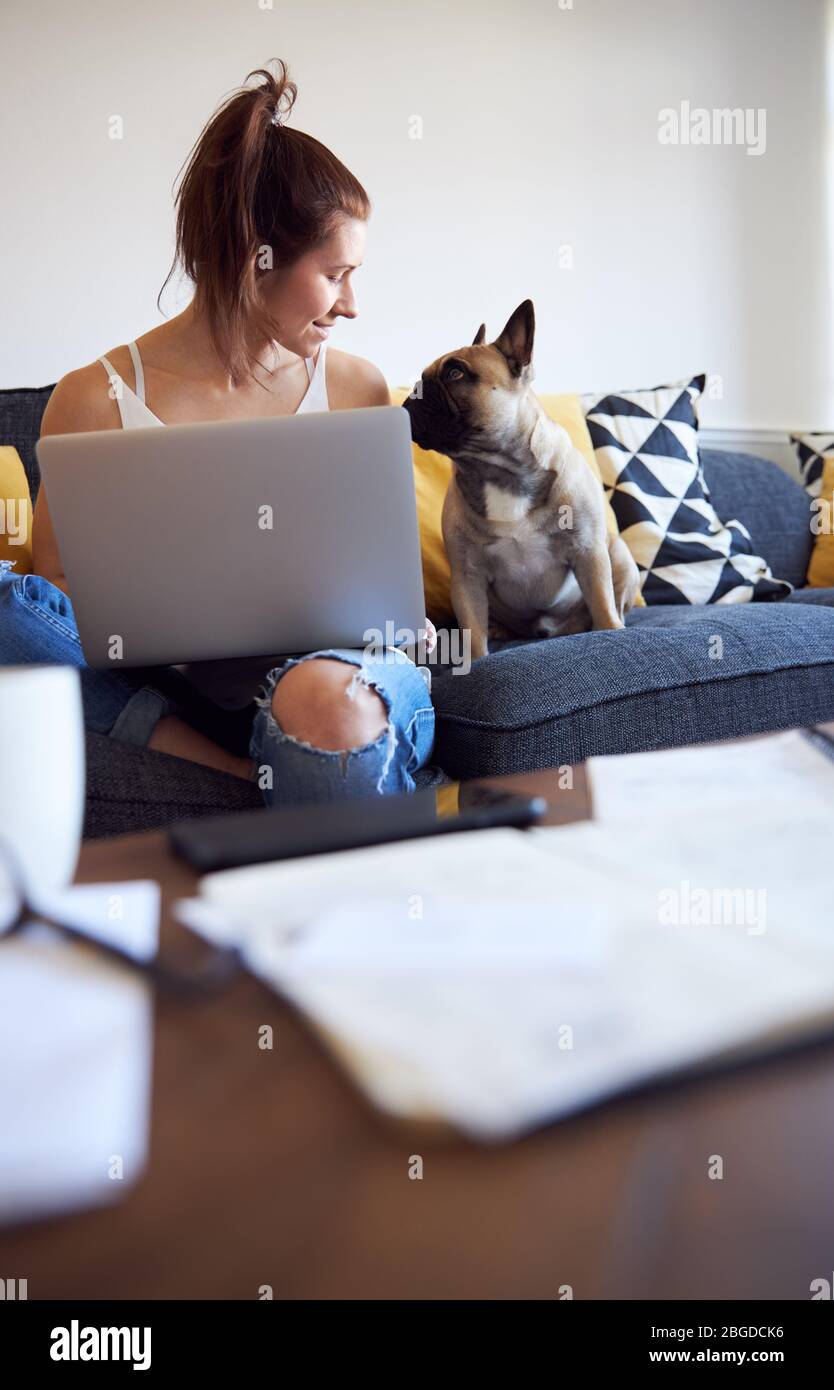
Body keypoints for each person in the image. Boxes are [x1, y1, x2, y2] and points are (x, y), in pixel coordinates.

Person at [0, 59, 437, 807]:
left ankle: (293, 760)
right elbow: (58, 599)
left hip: (331, 675)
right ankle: (237, 774)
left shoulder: (358, 389)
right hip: (165, 690)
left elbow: (388, 592)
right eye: (335, 274)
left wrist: (407, 622)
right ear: (251, 259)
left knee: (323, 703)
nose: (352, 303)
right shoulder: (94, 398)